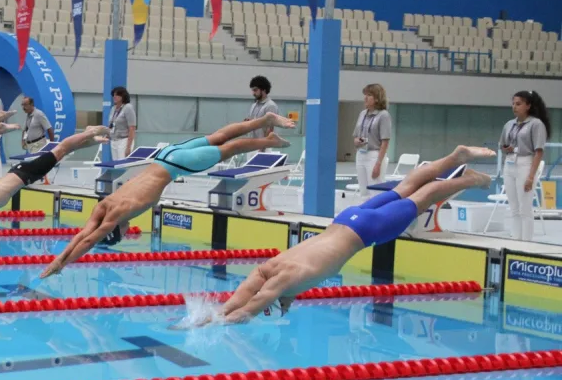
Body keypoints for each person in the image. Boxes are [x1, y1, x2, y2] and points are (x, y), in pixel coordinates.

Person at [189, 145, 495, 325]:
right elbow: (249, 294)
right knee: (404, 187)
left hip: (364, 229)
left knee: (422, 196)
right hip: (348, 220)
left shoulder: (280, 275)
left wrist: (215, 323)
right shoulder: (273, 267)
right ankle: (456, 158)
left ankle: (468, 179)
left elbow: (249, 307)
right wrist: (221, 310)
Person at [39, 112, 295, 279]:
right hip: (165, 155)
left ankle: (269, 141)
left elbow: (89, 240)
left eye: (124, 233)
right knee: (221, 136)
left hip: (177, 165)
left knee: (231, 147)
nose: (129, 231)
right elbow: (83, 233)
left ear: (116, 230)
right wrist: (59, 260)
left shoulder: (118, 213)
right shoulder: (106, 203)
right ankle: (264, 122)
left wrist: (63, 264)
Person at [499, 91, 551, 241]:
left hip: (525, 163)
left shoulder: (536, 124)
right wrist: (506, 148)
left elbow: (538, 152)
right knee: (514, 208)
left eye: (519, 104)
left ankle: (526, 243)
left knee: (525, 208)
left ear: (528, 106)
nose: (514, 107)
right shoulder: (509, 124)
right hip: (509, 164)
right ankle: (516, 240)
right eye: (513, 104)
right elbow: (502, 145)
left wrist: (530, 176)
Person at [353, 84, 392, 197]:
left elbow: (385, 142)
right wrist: (356, 141)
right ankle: (365, 214)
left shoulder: (383, 115)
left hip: (374, 156)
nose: (365, 98)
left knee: (375, 191)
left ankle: (377, 214)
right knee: (363, 191)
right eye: (365, 95)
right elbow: (356, 135)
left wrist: (378, 164)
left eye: (369, 95)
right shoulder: (362, 114)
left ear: (377, 98)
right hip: (361, 154)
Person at [246, 76, 279, 142]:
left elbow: (270, 130)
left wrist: (262, 149)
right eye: (252, 90)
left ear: (263, 90)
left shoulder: (271, 106)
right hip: (252, 144)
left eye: (255, 90)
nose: (253, 93)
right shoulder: (254, 105)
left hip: (264, 146)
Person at [108, 86, 136, 160]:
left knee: (123, 164)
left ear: (122, 96)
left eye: (117, 95)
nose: (114, 97)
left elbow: (132, 128)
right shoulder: (113, 108)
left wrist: (128, 147)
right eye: (113, 95)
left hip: (124, 140)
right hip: (114, 140)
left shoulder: (128, 107)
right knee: (116, 165)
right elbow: (111, 124)